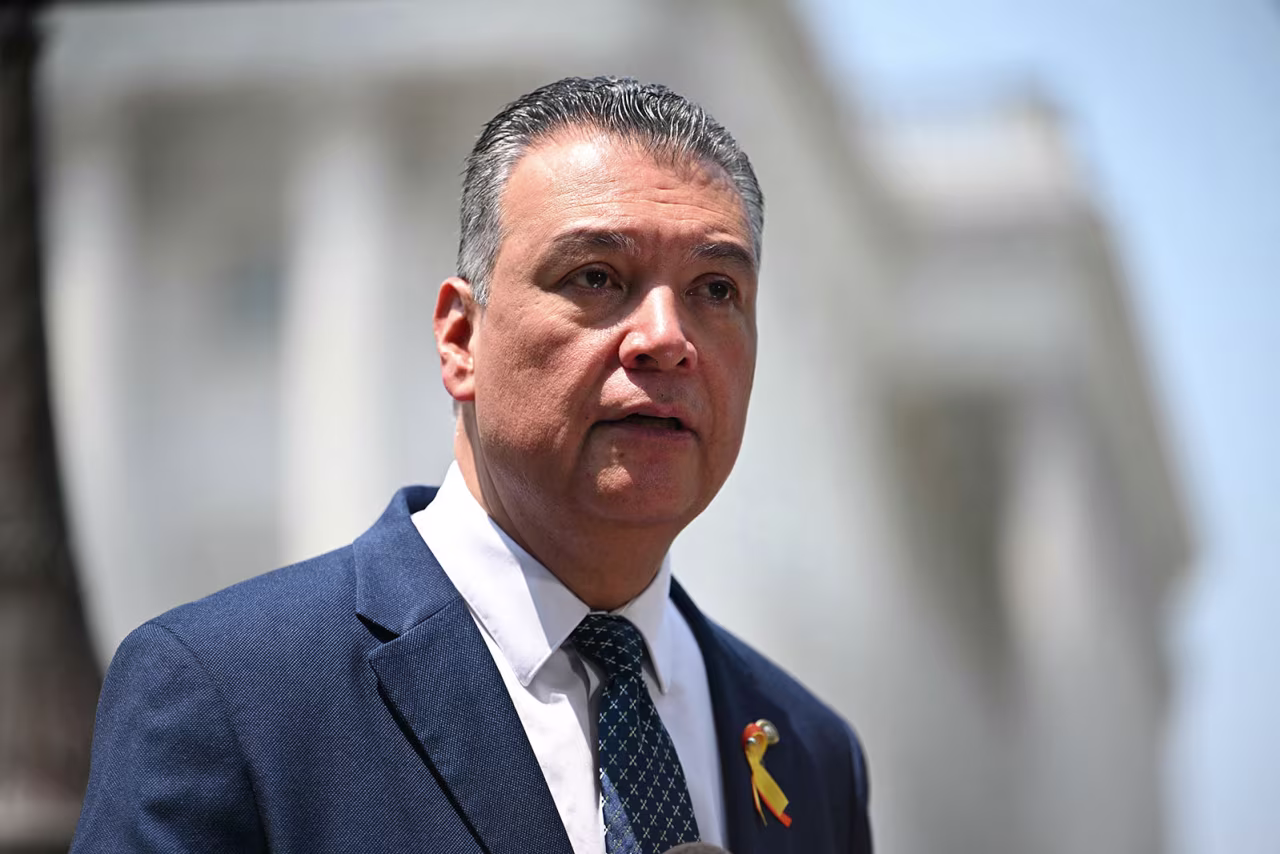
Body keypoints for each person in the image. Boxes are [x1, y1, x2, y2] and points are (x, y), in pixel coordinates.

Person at [71, 76, 872, 854]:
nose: (666, 336)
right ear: (460, 338)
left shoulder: (810, 753)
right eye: (597, 277)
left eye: (715, 290)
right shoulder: (227, 694)